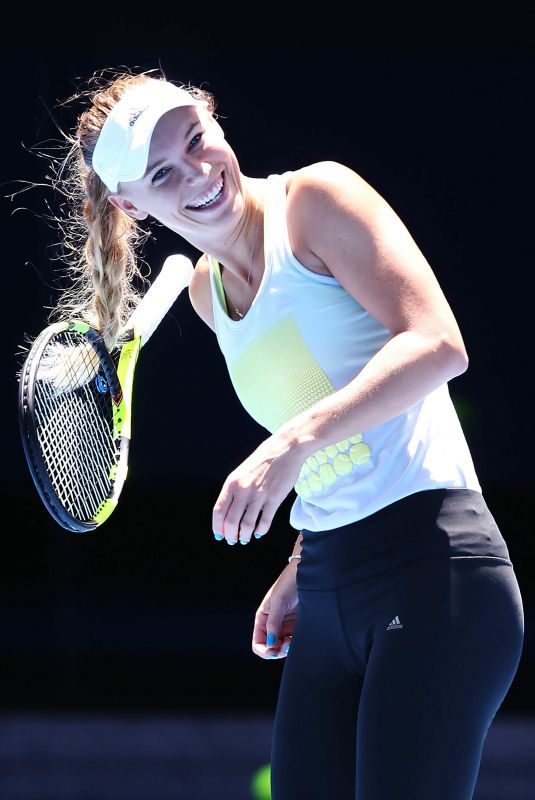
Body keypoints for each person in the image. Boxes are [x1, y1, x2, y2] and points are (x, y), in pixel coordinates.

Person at [42, 68, 524, 799]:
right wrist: (302, 562)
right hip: (331, 585)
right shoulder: (206, 294)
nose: (199, 173)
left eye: (197, 140)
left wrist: (289, 445)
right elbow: (337, 423)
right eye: (162, 173)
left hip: (434, 572)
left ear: (213, 117)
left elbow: (436, 344)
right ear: (128, 206)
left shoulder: (316, 201)